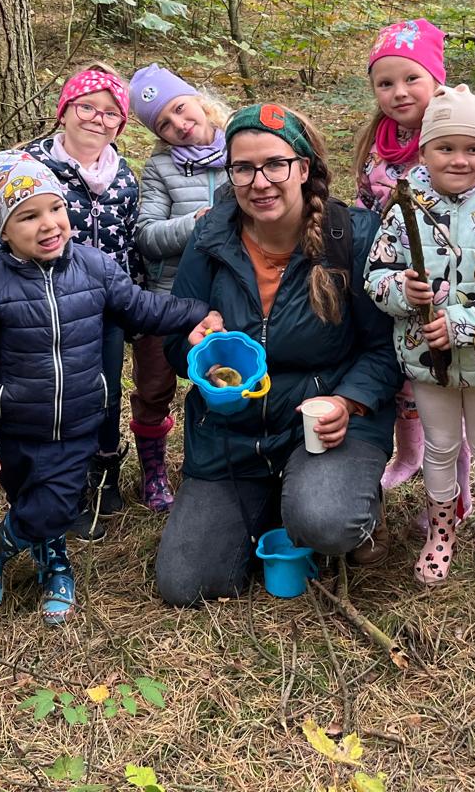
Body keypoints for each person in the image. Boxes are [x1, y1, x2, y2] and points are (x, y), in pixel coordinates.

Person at [0, 151, 219, 625]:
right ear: (2, 230)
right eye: (28, 216)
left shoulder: (95, 268)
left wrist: (197, 311)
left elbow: (143, 310)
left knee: (57, 502)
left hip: (78, 420)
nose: (49, 224)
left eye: (55, 208)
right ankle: (52, 558)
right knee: (30, 500)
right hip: (17, 424)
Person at [154, 103, 402, 606]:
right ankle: (274, 496)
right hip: (233, 430)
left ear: (303, 168)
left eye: (274, 164)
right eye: (243, 168)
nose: (259, 182)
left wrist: (348, 403)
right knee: (187, 584)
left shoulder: (349, 236)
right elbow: (177, 343)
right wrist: (194, 344)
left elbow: (386, 348)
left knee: (326, 522)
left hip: (325, 424)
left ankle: (342, 504)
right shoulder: (210, 237)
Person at [353, 18, 475, 512]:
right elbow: (368, 214)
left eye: (411, 78)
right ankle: (414, 457)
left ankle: (467, 493)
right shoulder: (378, 151)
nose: (399, 92)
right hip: (410, 297)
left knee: (461, 392)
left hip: (471, 304)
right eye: (385, 83)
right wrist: (388, 276)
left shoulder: (465, 132)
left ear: (436, 79)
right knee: (416, 387)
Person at [11, 63, 139, 536]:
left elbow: (129, 241)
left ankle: (102, 474)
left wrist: (133, 302)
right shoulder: (30, 165)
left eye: (110, 113)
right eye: (87, 106)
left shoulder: (124, 176)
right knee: (56, 392)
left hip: (104, 306)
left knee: (103, 389)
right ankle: (59, 479)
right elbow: (4, 234)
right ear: (65, 110)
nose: (97, 119)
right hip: (41, 305)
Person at [128, 64, 232, 512]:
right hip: (167, 298)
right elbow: (147, 236)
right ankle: (153, 471)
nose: (177, 126)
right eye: (163, 125)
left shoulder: (243, 149)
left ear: (198, 101)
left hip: (229, 294)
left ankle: (214, 465)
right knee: (154, 387)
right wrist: (197, 224)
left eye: (179, 109)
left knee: (224, 382)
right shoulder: (160, 168)